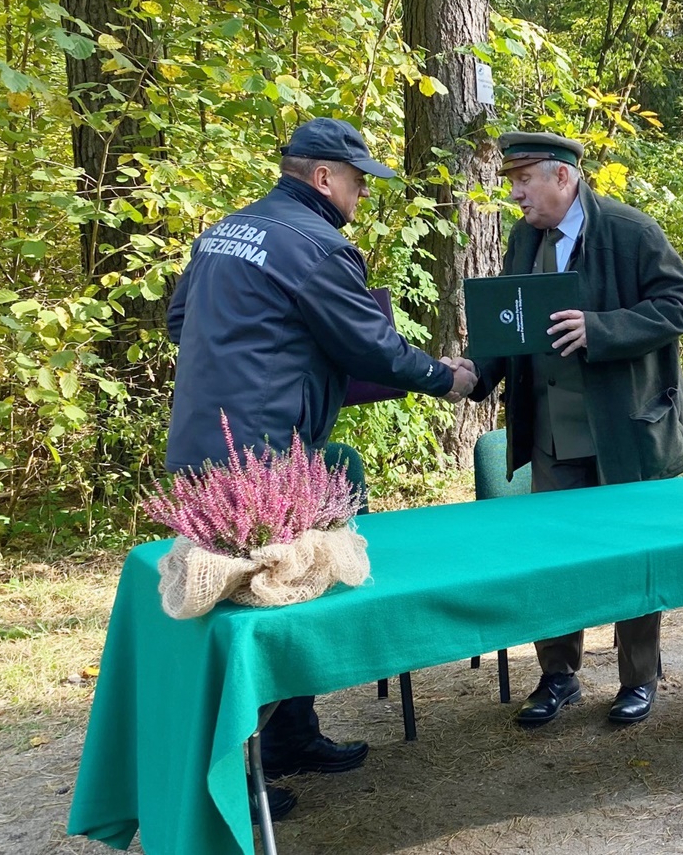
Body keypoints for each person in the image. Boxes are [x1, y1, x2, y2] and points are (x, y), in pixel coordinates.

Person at [165, 117, 477, 818]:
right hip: (262, 465)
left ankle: (288, 737)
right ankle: (235, 782)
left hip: (203, 448)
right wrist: (448, 378)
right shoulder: (314, 243)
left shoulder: (225, 230)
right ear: (324, 177)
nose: (363, 195)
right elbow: (370, 346)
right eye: (360, 182)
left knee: (286, 595)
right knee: (256, 611)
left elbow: (180, 324)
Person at [458, 131, 683, 727]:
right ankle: (558, 674)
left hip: (623, 430)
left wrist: (601, 329)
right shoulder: (523, 238)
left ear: (561, 178)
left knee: (632, 552)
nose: (514, 194)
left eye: (523, 180)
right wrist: (474, 372)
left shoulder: (629, 231)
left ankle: (639, 678)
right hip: (552, 433)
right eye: (511, 181)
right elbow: (513, 326)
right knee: (556, 556)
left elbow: (681, 305)